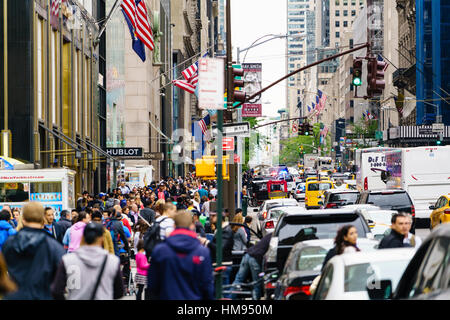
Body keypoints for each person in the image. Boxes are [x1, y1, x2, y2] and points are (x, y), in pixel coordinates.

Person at [2, 202, 65, 300]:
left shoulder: (9, 243)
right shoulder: (53, 246)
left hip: (14, 296)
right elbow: (59, 282)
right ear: (42, 219)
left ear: (23, 219)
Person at [147, 211, 214, 300]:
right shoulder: (202, 252)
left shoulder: (160, 251)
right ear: (192, 226)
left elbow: (152, 284)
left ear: (174, 226)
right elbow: (207, 285)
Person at [51, 222, 124, 300]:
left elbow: (56, 291)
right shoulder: (112, 261)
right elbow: (119, 292)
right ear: (102, 238)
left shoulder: (68, 260)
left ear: (82, 237)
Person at [231, 232, 273, 300]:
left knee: (238, 279)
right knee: (256, 283)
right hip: (255, 258)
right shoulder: (274, 238)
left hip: (247, 254)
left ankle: (230, 298)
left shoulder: (269, 235)